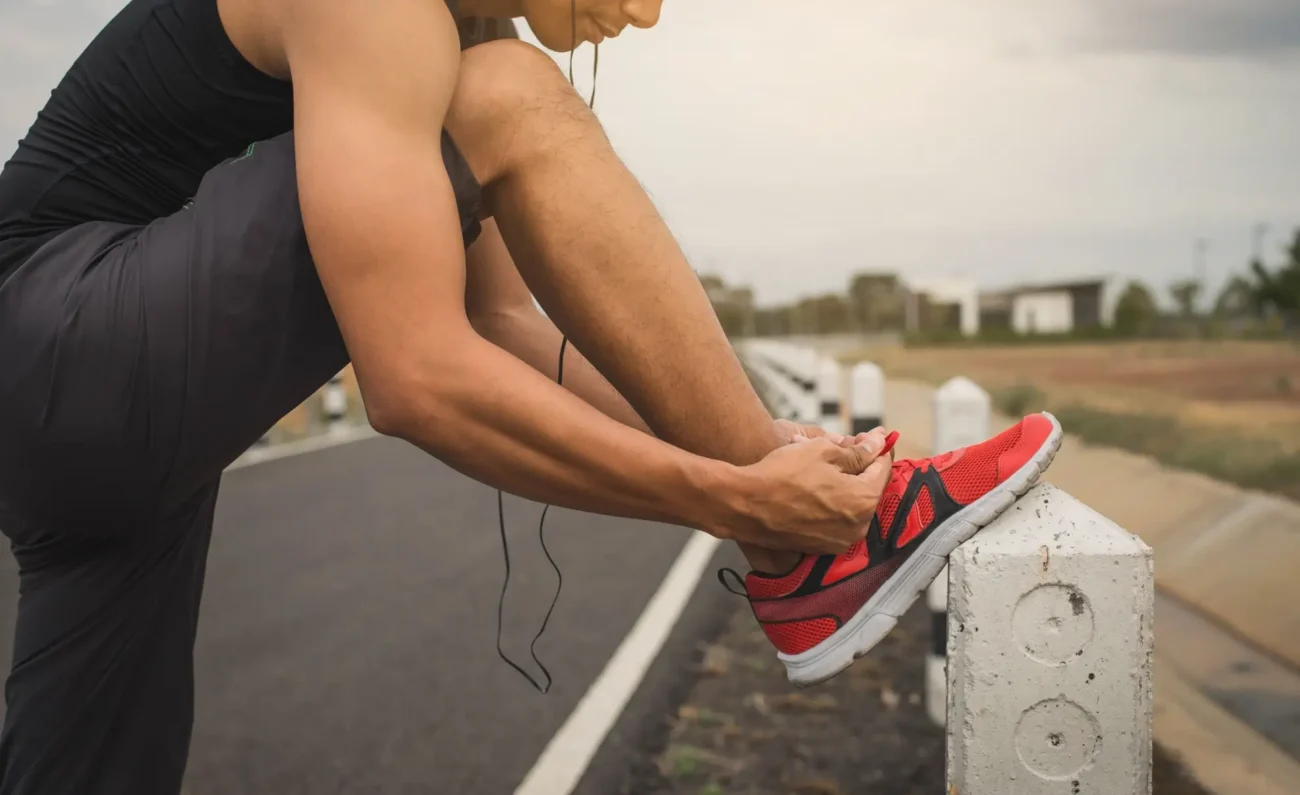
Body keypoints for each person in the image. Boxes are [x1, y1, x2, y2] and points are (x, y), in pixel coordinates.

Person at [0, 0, 1061, 792]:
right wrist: (734, 500)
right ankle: (815, 558)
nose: (641, 13)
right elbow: (414, 378)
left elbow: (502, 323)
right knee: (511, 93)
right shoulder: (383, 11)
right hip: (54, 333)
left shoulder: (456, 25)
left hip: (101, 439)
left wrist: (761, 446)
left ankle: (813, 545)